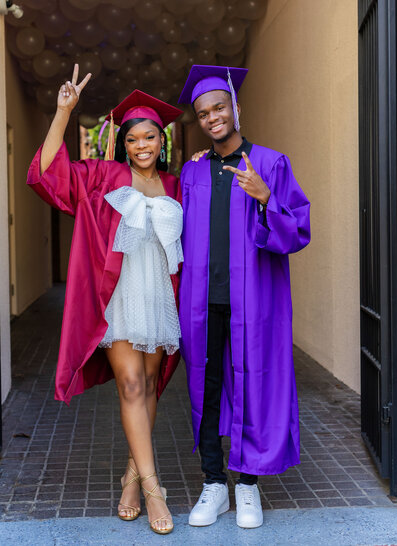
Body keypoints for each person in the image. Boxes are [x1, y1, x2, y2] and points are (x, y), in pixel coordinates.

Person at [27, 64, 184, 535]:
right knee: (132, 385)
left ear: (162, 142)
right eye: (133, 139)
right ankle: (155, 487)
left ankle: (132, 478)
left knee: (152, 382)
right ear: (123, 142)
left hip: (160, 296)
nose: (141, 147)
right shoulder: (103, 176)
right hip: (117, 298)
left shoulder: (176, 186)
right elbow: (50, 175)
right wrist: (63, 112)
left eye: (149, 138)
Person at [178, 65, 311, 529]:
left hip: (255, 304)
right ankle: (214, 484)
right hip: (203, 303)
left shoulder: (270, 163)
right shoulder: (192, 172)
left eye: (218, 107)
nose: (212, 117)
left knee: (253, 386)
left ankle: (249, 486)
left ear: (236, 108)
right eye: (203, 112)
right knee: (208, 391)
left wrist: (265, 196)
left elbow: (298, 232)